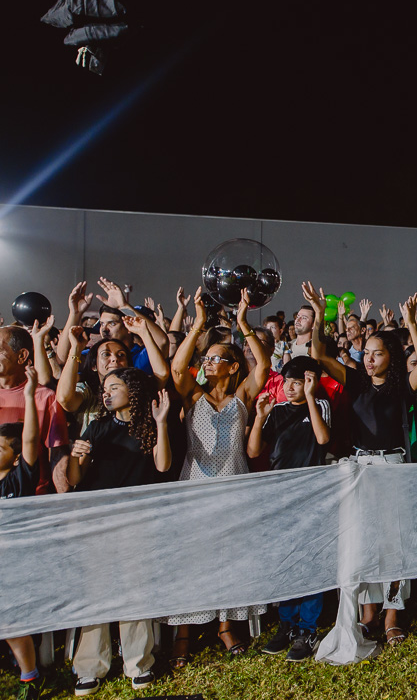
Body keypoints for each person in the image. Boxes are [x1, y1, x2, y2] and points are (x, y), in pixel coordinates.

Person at [304, 284, 417, 653]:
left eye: (378, 353)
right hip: (360, 467)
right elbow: (318, 354)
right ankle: (368, 612)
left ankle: (392, 615)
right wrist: (319, 314)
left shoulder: (401, 387)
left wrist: (411, 322)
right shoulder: (356, 380)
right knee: (363, 540)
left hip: (392, 467)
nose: (370, 359)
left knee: (394, 541)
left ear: (391, 356)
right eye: (367, 353)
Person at [166, 287, 270, 667]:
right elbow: (177, 370)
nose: (208, 364)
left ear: (233, 367)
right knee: (191, 556)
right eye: (206, 359)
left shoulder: (242, 396)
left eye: (216, 359)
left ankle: (226, 625)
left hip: (234, 482)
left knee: (230, 553)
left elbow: (263, 367)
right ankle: (183, 631)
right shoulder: (194, 396)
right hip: (195, 482)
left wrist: (243, 323)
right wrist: (198, 325)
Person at [66, 370, 171, 696]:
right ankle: (89, 668)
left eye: (114, 387)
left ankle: (138, 663)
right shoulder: (97, 427)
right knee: (96, 592)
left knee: (135, 591)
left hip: (138, 521)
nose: (107, 393)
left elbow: (163, 466)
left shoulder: (150, 426)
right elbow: (75, 479)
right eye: (105, 388)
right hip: (99, 522)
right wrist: (76, 456)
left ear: (133, 391)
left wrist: (162, 422)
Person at [248, 357, 331, 661]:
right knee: (285, 558)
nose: (291, 388)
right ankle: (287, 624)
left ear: (310, 382)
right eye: (287, 382)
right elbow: (253, 450)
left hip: (310, 492)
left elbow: (323, 438)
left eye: (298, 382)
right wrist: (260, 417)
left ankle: (308, 628)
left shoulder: (319, 405)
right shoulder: (277, 411)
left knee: (309, 558)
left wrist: (309, 396)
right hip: (280, 492)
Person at [0, 370, 46, 700]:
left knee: (11, 622)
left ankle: (30, 678)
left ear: (15, 457)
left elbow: (30, 440)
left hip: (14, 566)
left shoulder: (19, 479)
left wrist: (29, 396)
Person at [0, 326, 70, 494]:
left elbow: (57, 453)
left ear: (22, 356)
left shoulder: (44, 397)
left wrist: (63, 499)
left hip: (28, 495)